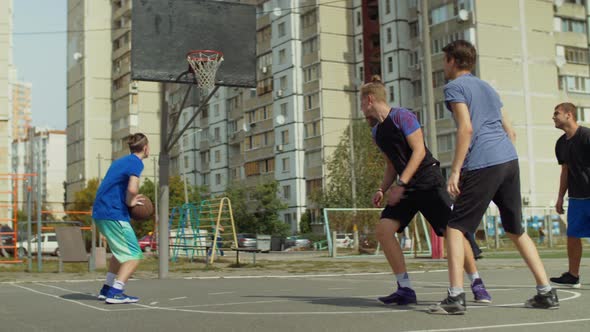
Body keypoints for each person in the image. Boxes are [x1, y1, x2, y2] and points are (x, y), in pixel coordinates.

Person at [429, 40, 558, 315]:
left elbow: (466, 129)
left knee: (455, 228)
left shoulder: (454, 87)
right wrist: (502, 161)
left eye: (444, 61)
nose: (443, 66)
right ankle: (546, 292)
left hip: (484, 161)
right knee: (515, 229)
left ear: (452, 61)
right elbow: (511, 131)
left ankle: (454, 297)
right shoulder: (487, 87)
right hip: (508, 160)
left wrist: (455, 170)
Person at [360, 75, 491, 306]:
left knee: (453, 234)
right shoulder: (376, 133)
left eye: (361, 103)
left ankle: (477, 282)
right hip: (406, 187)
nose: (360, 109)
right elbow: (392, 163)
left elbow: (419, 151)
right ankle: (405, 289)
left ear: (369, 100)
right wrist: (383, 188)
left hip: (428, 181)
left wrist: (400, 185)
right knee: (383, 230)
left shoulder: (403, 116)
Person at [93, 133, 149, 304]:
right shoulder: (135, 162)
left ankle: (107, 288)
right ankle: (116, 292)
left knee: (119, 253)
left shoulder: (119, 162)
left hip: (100, 213)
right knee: (134, 255)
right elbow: (132, 188)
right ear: (146, 148)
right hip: (113, 214)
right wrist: (132, 201)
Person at [550, 102, 590, 288]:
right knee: (573, 236)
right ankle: (573, 275)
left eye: (556, 113)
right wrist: (560, 197)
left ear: (569, 115)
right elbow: (565, 171)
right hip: (576, 199)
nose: (553, 117)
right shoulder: (560, 144)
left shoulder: (587, 136)